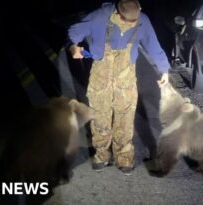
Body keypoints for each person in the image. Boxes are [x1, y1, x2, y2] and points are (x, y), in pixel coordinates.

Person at [67, 0, 170, 175]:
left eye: (135, 19)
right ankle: (101, 155)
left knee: (125, 118)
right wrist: (73, 47)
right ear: (118, 13)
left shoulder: (142, 20)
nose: (133, 23)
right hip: (101, 77)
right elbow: (73, 32)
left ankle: (124, 159)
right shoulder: (99, 17)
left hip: (126, 78)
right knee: (99, 116)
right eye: (129, 21)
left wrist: (164, 70)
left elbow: (153, 45)